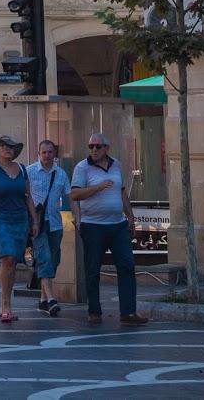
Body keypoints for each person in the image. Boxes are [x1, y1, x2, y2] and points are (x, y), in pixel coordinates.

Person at [71, 132, 148, 326]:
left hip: (117, 225)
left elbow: (121, 192)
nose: (94, 150)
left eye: (98, 146)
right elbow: (75, 195)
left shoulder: (117, 165)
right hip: (93, 226)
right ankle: (94, 311)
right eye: (91, 147)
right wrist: (97, 188)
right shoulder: (82, 167)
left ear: (106, 148)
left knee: (127, 266)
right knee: (92, 269)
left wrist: (130, 215)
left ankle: (128, 312)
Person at [0, 135, 37, 323]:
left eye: (11, 146)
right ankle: (4, 305)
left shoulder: (21, 169)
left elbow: (28, 196)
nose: (8, 149)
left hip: (20, 218)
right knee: (8, 257)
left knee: (13, 261)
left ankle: (8, 303)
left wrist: (34, 221)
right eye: (3, 146)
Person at [27, 139, 70, 316]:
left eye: (50, 152)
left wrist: (77, 217)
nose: (47, 155)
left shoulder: (61, 174)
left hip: (55, 223)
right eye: (43, 152)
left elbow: (69, 196)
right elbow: (24, 195)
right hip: (37, 223)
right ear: (39, 154)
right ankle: (51, 299)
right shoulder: (29, 172)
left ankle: (43, 301)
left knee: (53, 260)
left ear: (55, 154)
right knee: (44, 257)